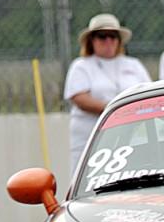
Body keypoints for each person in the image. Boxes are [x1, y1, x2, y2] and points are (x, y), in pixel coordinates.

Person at [63, 14, 150, 177]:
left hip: (130, 131)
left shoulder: (133, 64)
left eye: (113, 36)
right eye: (102, 36)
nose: (108, 41)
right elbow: (79, 98)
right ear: (92, 41)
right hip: (91, 133)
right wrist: (115, 110)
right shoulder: (81, 66)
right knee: (88, 176)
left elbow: (148, 93)